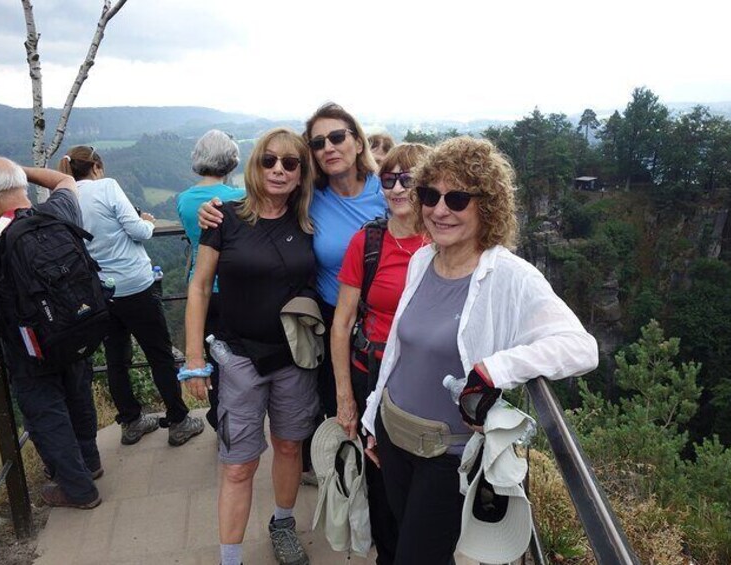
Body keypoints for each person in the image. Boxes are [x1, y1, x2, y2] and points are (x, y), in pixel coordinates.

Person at [360, 137, 599, 564]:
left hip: (445, 456)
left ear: (486, 206)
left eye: (457, 198)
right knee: (400, 543)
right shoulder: (423, 260)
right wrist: (372, 417)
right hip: (393, 435)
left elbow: (580, 347)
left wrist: (498, 368)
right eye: (430, 195)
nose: (439, 209)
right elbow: (399, 350)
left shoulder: (508, 275)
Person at [199, 103, 387, 484]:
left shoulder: (388, 189)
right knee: (339, 412)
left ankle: (388, 501)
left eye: (337, 137)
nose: (329, 147)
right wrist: (215, 209)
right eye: (318, 142)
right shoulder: (310, 194)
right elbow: (264, 204)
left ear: (356, 139)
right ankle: (350, 497)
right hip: (331, 319)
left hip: (385, 320)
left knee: (385, 415)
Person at [182, 128, 320, 565]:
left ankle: (282, 523)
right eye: (269, 161)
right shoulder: (223, 216)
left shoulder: (310, 218)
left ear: (301, 174)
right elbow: (200, 288)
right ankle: (230, 558)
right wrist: (194, 358)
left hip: (295, 357)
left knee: (288, 447)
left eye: (290, 163)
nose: (279, 169)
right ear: (255, 165)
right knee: (238, 463)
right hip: (239, 356)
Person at [0, 157, 102, 509]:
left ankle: (79, 490)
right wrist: (19, 171)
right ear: (20, 184)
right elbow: (65, 182)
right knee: (78, 392)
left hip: (30, 346)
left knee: (46, 411)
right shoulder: (59, 212)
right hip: (74, 328)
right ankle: (91, 464)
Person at [59, 146, 204, 447]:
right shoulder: (107, 186)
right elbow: (138, 232)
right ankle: (178, 421)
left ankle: (131, 421)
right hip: (135, 285)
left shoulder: (65, 195)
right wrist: (147, 221)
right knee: (159, 354)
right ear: (97, 166)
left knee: (116, 358)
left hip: (100, 290)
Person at [331, 143, 431, 565]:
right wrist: (344, 397)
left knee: (428, 481)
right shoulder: (367, 242)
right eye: (387, 180)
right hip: (373, 375)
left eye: (407, 179)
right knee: (382, 478)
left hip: (427, 379)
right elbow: (342, 322)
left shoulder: (446, 237)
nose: (395, 188)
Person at [177, 130, 244, 431]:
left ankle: (218, 417)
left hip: (201, 291)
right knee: (236, 360)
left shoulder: (184, 200)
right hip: (232, 290)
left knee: (214, 359)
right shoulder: (240, 199)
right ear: (231, 160)